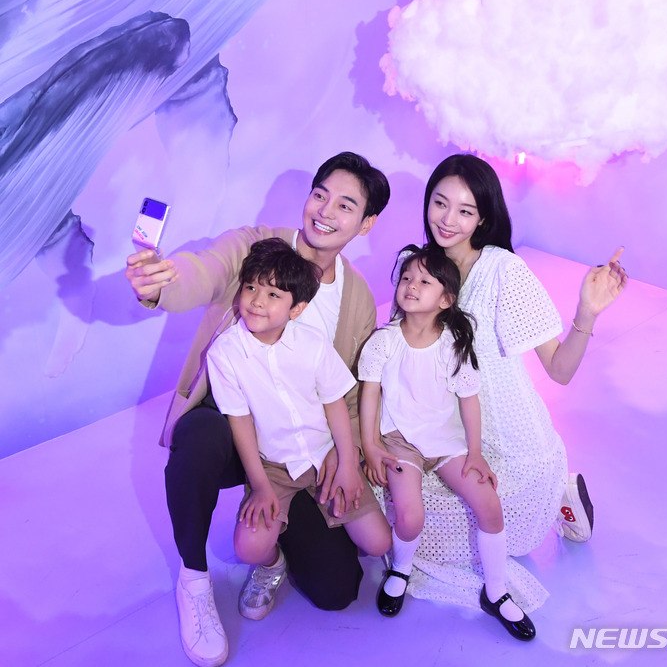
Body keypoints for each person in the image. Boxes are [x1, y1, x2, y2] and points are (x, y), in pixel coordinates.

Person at [125, 152, 390, 667]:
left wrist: (346, 455)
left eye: (345, 205)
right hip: (236, 431)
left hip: (304, 448)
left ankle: (275, 550)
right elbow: (204, 270)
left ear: (366, 223)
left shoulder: (356, 295)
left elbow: (349, 391)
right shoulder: (257, 247)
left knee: (338, 587)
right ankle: (194, 580)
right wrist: (163, 281)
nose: (325, 211)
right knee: (199, 437)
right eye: (320, 194)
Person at [402, 154, 626, 606]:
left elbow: (559, 370)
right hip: (448, 427)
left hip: (507, 435)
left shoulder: (503, 271)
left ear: (483, 218)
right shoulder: (420, 268)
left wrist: (586, 312)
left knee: (504, 538)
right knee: (406, 518)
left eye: (465, 210)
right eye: (440, 203)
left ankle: (558, 489)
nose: (447, 220)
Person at [206, 238, 391, 621]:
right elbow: (240, 422)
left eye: (273, 294)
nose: (257, 301)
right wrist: (260, 484)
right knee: (248, 548)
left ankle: (335, 524)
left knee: (378, 543)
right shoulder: (225, 353)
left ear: (297, 308)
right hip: (274, 467)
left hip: (325, 456)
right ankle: (272, 564)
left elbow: (335, 404)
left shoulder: (312, 343)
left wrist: (348, 464)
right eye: (251, 287)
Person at [358, 245, 536, 641]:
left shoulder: (453, 344)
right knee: (410, 516)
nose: (411, 285)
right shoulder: (383, 341)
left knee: (489, 503)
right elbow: (369, 395)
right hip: (401, 441)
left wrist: (474, 452)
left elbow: (469, 401)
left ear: (446, 299)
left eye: (424, 281)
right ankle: (401, 569)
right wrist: (370, 445)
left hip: (446, 441)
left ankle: (496, 591)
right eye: (407, 278)